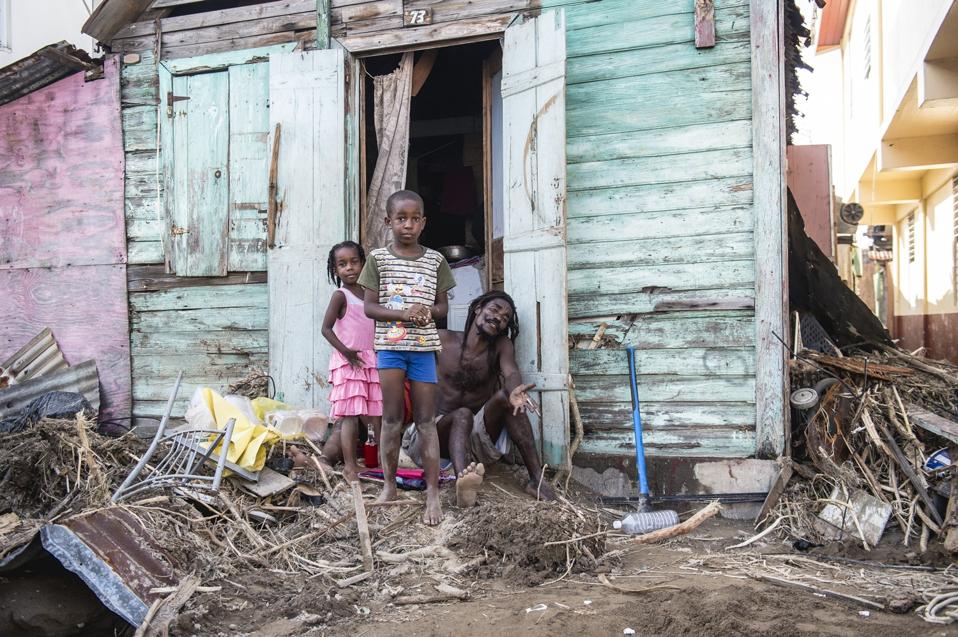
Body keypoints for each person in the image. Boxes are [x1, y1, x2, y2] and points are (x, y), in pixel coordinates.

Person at [402, 290, 555, 508]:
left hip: (474, 440)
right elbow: (404, 354)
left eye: (505, 318)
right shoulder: (441, 339)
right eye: (494, 309)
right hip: (433, 436)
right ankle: (463, 483)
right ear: (478, 309)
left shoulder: (501, 346)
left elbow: (511, 372)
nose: (498, 318)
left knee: (507, 398)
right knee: (462, 414)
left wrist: (515, 390)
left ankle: (537, 481)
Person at [358, 190, 455, 525]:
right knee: (391, 419)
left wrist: (428, 311)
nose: (408, 225)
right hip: (390, 348)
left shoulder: (436, 261)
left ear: (424, 222)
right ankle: (388, 486)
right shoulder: (378, 259)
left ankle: (432, 493)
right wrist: (403, 313)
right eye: (401, 219)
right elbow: (369, 308)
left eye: (415, 219)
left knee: (426, 421)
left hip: (424, 349)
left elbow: (443, 306)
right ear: (389, 221)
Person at [320, 241, 382, 484]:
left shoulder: (370, 295)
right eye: (342, 264)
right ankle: (349, 466)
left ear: (363, 263)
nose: (349, 268)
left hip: (370, 360)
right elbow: (326, 329)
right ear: (335, 270)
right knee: (350, 416)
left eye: (354, 262)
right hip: (349, 362)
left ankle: (378, 460)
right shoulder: (340, 296)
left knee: (375, 415)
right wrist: (346, 352)